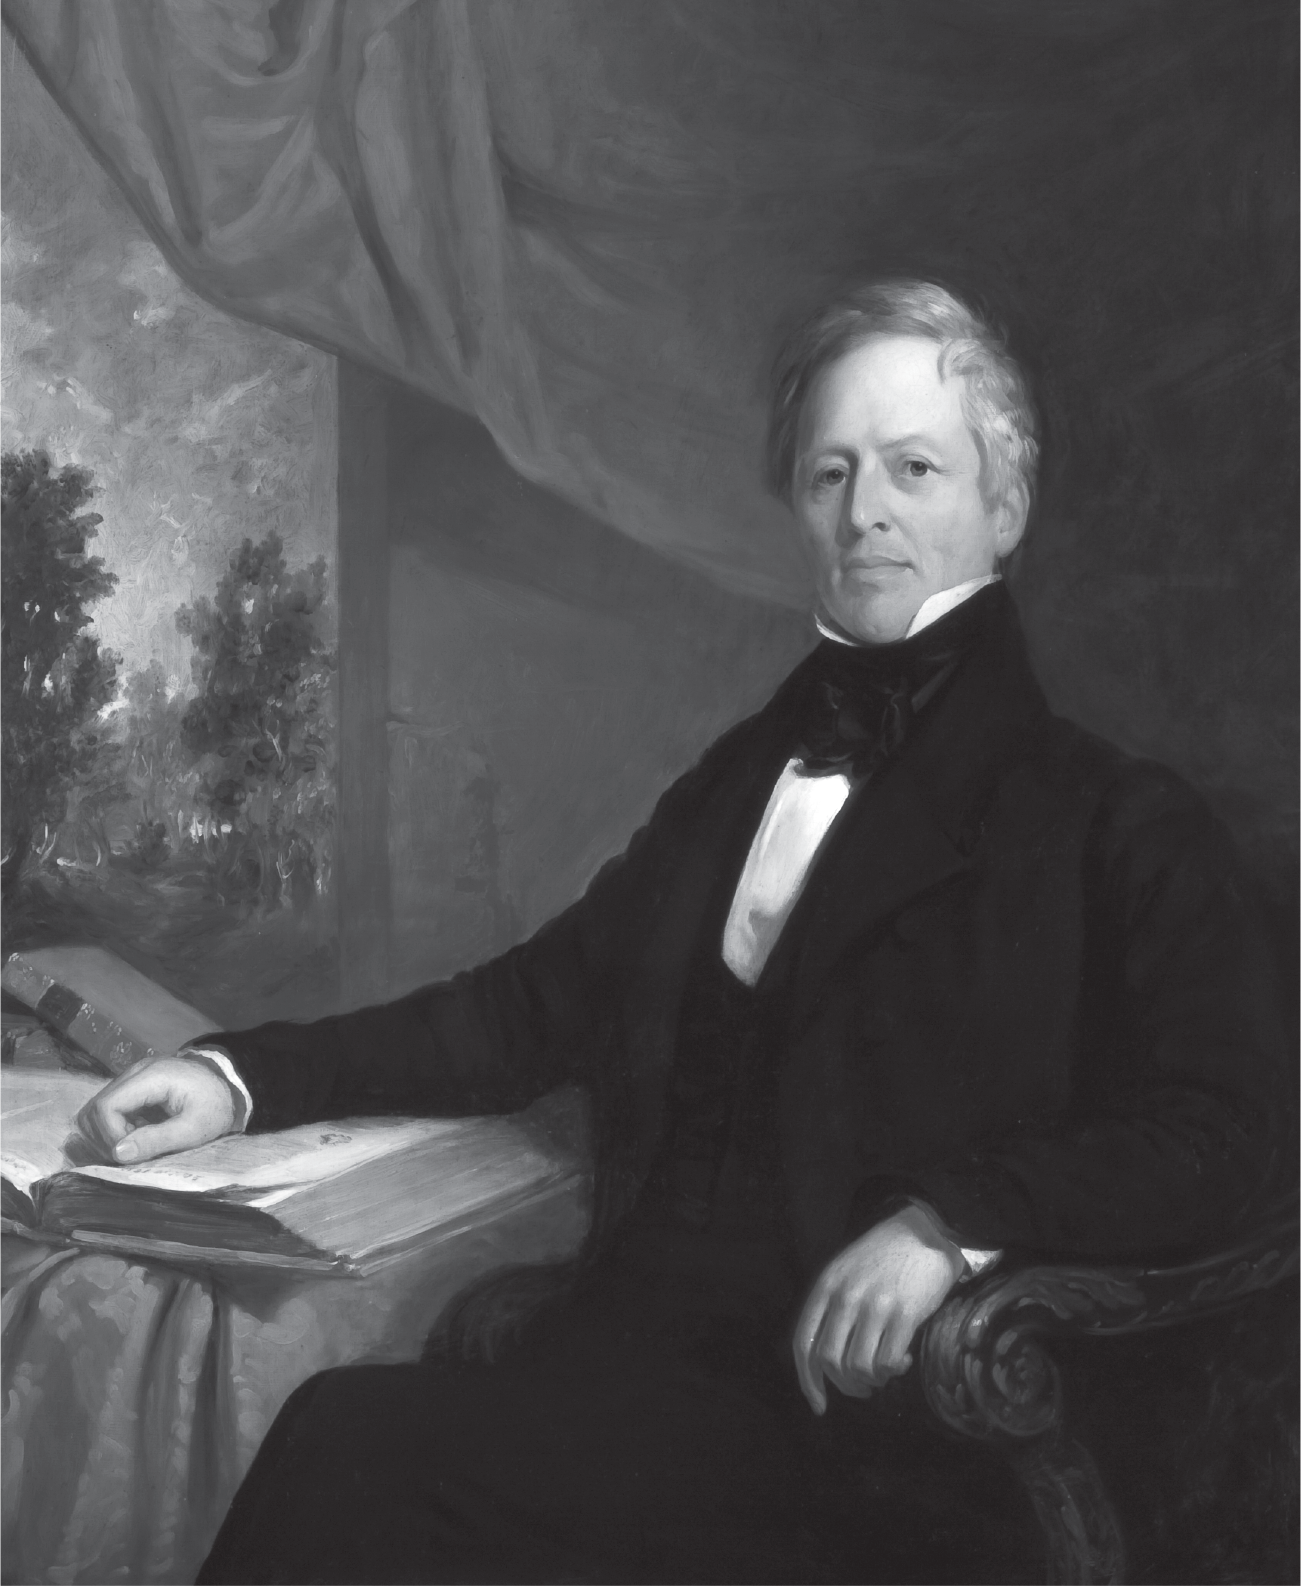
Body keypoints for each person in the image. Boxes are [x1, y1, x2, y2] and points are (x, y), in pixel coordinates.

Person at [77, 280, 1286, 1585]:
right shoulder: (739, 780)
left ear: (1007, 506)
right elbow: (524, 1009)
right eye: (830, 472)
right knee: (357, 1442)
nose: (866, 509)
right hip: (628, 1364)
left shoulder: (1115, 820)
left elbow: (1226, 1126)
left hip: (874, 1438)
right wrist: (238, 1074)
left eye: (914, 468)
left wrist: (952, 1225)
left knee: (357, 1456)